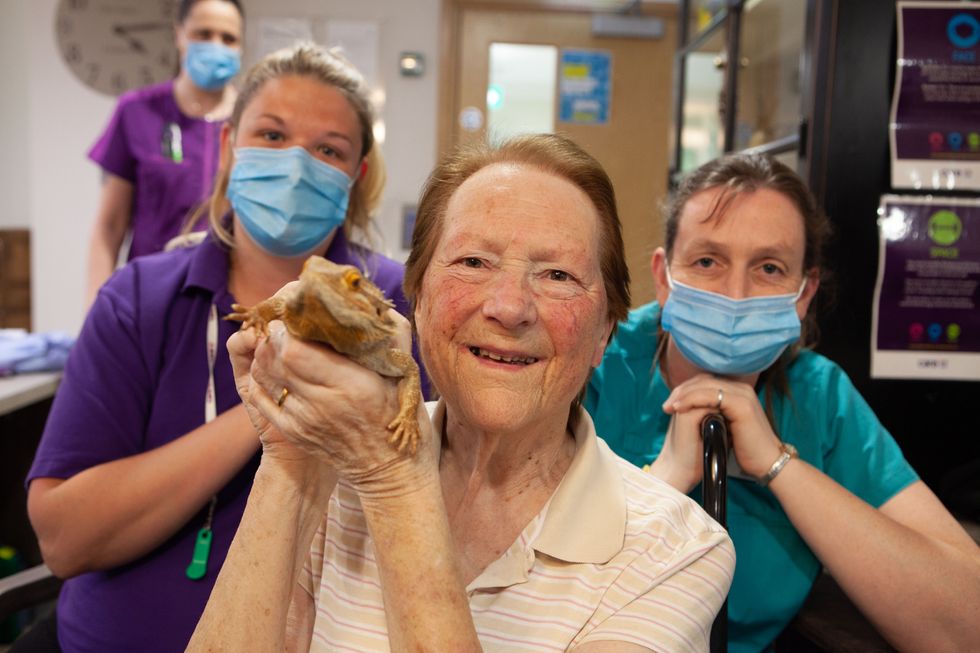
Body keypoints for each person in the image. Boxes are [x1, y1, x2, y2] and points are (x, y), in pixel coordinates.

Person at [186, 133, 736, 652]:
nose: (509, 307)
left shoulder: (677, 550)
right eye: (473, 262)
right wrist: (291, 459)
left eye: (558, 276)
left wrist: (393, 477)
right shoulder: (334, 472)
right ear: (417, 301)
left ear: (605, 333)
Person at [24, 43, 416, 653]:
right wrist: (264, 406)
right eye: (272, 134)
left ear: (356, 173)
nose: (295, 165)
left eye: (328, 150)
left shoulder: (394, 305)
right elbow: (65, 539)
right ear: (231, 147)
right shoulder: (141, 298)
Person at [584, 153, 980, 653]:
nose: (736, 294)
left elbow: (968, 624)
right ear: (663, 277)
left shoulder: (820, 397)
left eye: (769, 268)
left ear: (803, 292)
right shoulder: (593, 368)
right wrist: (668, 476)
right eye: (707, 261)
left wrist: (777, 464)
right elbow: (524, 593)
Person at [85, 0, 245, 308]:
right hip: (149, 298)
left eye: (229, 38)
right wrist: (96, 308)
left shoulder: (254, 122)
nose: (216, 46)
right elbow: (109, 225)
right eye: (203, 34)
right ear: (179, 35)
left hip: (229, 301)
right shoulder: (136, 111)